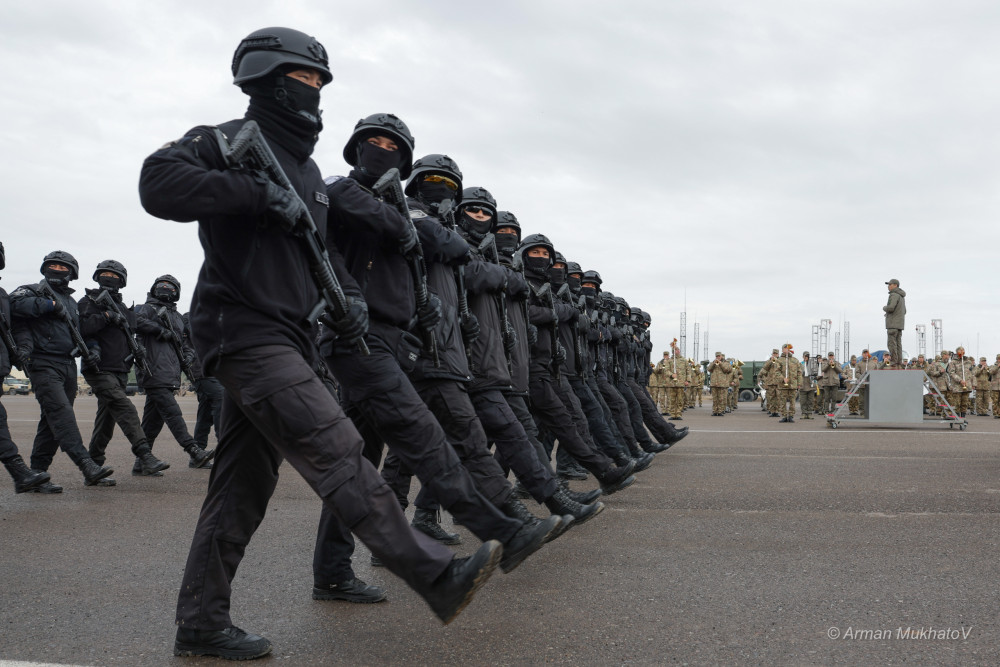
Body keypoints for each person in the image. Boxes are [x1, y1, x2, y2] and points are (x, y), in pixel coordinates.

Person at [139, 27, 504, 660]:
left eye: (319, 82)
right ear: (265, 78)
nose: (313, 91)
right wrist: (254, 193)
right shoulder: (225, 139)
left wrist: (346, 301)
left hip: (294, 335)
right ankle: (432, 574)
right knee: (337, 446)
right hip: (244, 332)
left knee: (240, 490)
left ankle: (201, 620)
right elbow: (157, 182)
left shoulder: (309, 170)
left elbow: (319, 256)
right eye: (304, 79)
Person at [9, 251, 115, 491]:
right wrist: (49, 305)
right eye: (53, 265)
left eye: (62, 266)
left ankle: (37, 474)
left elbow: (82, 332)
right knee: (62, 414)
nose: (57, 269)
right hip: (43, 364)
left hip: (68, 366)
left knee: (51, 421)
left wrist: (93, 348)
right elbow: (14, 303)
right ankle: (87, 464)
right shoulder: (33, 290)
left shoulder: (72, 303)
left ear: (72, 273)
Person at [79, 260, 170, 482]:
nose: (109, 277)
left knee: (106, 422)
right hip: (98, 368)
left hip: (120, 369)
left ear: (122, 281)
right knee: (125, 407)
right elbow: (83, 329)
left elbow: (131, 335)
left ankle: (94, 467)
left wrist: (136, 350)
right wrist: (107, 317)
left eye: (114, 275)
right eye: (105, 273)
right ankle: (145, 454)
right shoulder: (88, 301)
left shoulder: (125, 309)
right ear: (97, 276)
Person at [135, 275, 215, 470]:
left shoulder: (178, 318)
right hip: (152, 370)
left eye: (170, 287)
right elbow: (134, 319)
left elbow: (184, 342)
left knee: (152, 422)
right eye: (161, 285)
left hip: (170, 373)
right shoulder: (146, 308)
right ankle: (194, 450)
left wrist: (188, 356)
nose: (165, 288)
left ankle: (141, 462)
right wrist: (159, 330)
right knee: (173, 413)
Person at [0, 241, 51, 493]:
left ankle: (20, 473)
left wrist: (21, 350)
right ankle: (19, 472)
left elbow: (15, 327)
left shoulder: (2, 295)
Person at [775, 344, 802, 423]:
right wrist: (783, 378)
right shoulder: (779, 360)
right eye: (786, 348)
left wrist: (799, 383)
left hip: (793, 384)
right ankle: (784, 416)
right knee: (782, 401)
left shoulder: (795, 360)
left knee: (792, 401)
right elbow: (776, 372)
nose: (787, 350)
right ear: (783, 350)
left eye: (788, 348)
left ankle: (790, 416)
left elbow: (799, 372)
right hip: (783, 385)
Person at [883, 279, 906, 367]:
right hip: (899, 325)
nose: (888, 286)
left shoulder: (893, 295)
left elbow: (891, 308)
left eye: (890, 284)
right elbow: (904, 311)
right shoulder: (902, 297)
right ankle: (899, 361)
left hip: (892, 324)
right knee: (898, 344)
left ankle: (894, 360)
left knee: (891, 343)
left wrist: (885, 308)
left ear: (895, 285)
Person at [706, 352, 730, 416]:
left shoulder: (726, 363)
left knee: (721, 398)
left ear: (721, 356)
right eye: (717, 356)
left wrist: (720, 363)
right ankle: (714, 411)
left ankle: (720, 411)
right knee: (715, 399)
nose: (718, 357)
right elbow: (709, 369)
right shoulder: (713, 362)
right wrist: (713, 364)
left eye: (719, 356)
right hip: (714, 383)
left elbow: (727, 370)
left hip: (721, 383)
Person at [798, 351, 818, 420]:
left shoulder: (812, 364)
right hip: (803, 383)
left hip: (810, 384)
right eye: (805, 356)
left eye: (807, 356)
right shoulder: (800, 364)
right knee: (803, 401)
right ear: (803, 356)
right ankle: (804, 413)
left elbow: (816, 372)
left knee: (810, 400)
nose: (806, 357)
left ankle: (809, 413)